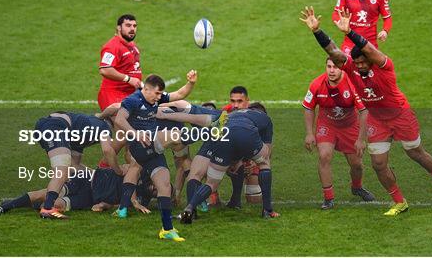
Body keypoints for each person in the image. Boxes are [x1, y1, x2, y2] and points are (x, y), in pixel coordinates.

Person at [300, 6, 432, 216]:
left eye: (364, 62)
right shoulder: (351, 68)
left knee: (415, 153)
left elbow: (371, 49)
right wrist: (317, 31)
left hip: (400, 114)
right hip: (377, 121)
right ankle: (399, 201)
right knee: (379, 164)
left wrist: (349, 32)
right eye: (358, 63)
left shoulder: (383, 65)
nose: (361, 66)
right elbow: (333, 51)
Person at [113, 73, 218, 242]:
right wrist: (135, 133)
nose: (159, 97)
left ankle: (167, 229)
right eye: (156, 93)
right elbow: (119, 119)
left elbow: (179, 95)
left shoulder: (156, 99)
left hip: (154, 151)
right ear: (146, 89)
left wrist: (190, 83)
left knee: (164, 186)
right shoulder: (133, 100)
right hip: (140, 146)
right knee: (174, 135)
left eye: (161, 94)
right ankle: (210, 130)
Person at [173, 104, 278, 223]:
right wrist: (254, 160)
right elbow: (267, 152)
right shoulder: (265, 119)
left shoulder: (231, 114)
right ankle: (267, 210)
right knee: (264, 163)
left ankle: (190, 208)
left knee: (211, 183)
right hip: (242, 134)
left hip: (221, 135)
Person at [303, 57, 375, 209]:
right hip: (327, 125)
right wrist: (309, 133)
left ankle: (357, 187)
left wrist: (361, 139)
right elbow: (308, 107)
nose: (331, 70)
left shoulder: (352, 84)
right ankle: (328, 198)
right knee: (324, 156)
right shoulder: (316, 84)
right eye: (328, 67)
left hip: (350, 127)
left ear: (342, 68)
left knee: (356, 165)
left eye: (335, 67)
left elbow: (364, 111)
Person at [33, 112, 122, 219]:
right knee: (62, 171)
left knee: (64, 170)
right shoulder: (104, 126)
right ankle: (47, 209)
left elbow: (74, 166)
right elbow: (108, 151)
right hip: (55, 126)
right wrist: (118, 171)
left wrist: (95, 175)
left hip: (51, 125)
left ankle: (16, 204)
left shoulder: (84, 132)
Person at [0, 165, 152, 215]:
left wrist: (105, 205)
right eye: (156, 187)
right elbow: (126, 170)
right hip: (87, 179)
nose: (154, 190)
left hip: (90, 199)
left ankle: (26, 205)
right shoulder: (141, 172)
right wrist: (133, 199)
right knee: (47, 193)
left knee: (56, 204)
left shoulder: (144, 202)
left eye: (156, 193)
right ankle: (5, 207)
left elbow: (119, 205)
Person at [98, 14, 142, 111]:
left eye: (134, 26)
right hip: (113, 95)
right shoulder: (112, 47)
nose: (132, 29)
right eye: (128, 25)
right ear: (118, 28)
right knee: (121, 124)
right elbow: (105, 70)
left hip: (130, 94)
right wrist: (128, 79)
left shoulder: (132, 46)